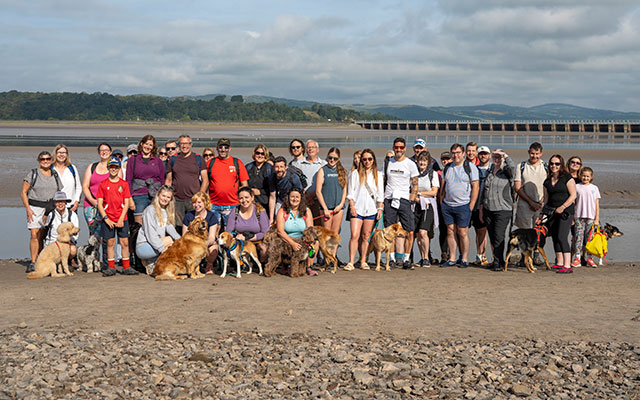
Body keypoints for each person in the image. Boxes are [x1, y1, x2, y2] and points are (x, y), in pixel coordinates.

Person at [21, 151, 62, 272]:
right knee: (34, 234)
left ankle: (43, 259)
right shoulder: (33, 174)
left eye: (48, 159)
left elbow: (59, 192)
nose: (45, 161)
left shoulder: (54, 174)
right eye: (43, 159)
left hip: (49, 207)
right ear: (39, 161)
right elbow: (23, 192)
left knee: (43, 235)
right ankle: (33, 261)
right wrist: (28, 209)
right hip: (34, 207)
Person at [440, 143, 479, 268]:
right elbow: (443, 187)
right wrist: (442, 202)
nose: (455, 155)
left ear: (463, 154)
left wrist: (471, 205)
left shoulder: (470, 167)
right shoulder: (447, 168)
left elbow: (475, 187)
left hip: (463, 205)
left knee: (462, 232)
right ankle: (452, 258)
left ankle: (464, 258)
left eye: (458, 153)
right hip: (448, 205)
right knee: (450, 232)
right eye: (453, 153)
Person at [97, 156, 137, 276]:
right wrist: (106, 218)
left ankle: (126, 266)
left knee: (124, 242)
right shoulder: (103, 184)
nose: (113, 169)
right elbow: (99, 203)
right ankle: (111, 267)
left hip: (121, 218)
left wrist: (121, 219)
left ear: (119, 168)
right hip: (108, 218)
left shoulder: (123, 184)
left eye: (116, 167)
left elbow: (126, 203)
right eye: (111, 167)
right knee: (110, 243)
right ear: (108, 168)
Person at [384, 137, 419, 269]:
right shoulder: (388, 162)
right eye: (396, 147)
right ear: (393, 147)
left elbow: (415, 183)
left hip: (404, 200)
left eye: (401, 147)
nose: (398, 149)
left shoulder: (410, 164)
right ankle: (391, 258)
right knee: (390, 231)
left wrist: (411, 198)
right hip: (389, 199)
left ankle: (406, 259)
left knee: (409, 231)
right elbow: (383, 180)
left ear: (404, 148)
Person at [345, 149, 384, 270]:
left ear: (373, 160)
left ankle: (363, 261)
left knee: (366, 236)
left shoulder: (378, 175)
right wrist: (352, 206)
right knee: (354, 235)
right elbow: (350, 192)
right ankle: (351, 262)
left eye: (370, 159)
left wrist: (380, 209)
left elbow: (380, 194)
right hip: (357, 208)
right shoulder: (355, 174)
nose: (367, 162)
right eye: (365, 159)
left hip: (371, 209)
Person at [82, 142, 117, 268]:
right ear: (98, 152)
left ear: (111, 151)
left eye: (106, 150)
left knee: (107, 235)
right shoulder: (92, 167)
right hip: (91, 206)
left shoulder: (114, 167)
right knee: (94, 235)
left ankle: (107, 262)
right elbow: (85, 186)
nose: (104, 152)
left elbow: (119, 185)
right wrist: (93, 201)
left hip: (109, 207)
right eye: (101, 150)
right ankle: (93, 262)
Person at [481, 149, 516, 271]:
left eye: (499, 157)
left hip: (503, 209)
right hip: (488, 209)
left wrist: (505, 156)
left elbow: (513, 167)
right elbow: (483, 191)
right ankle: (498, 260)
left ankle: (498, 262)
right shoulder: (489, 172)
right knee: (492, 236)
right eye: (495, 157)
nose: (497, 159)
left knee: (499, 236)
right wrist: (482, 208)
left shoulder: (507, 172)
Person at [542, 154, 577, 274]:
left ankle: (568, 265)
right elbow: (546, 200)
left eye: (557, 164)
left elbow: (573, 195)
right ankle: (559, 262)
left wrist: (562, 207)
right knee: (555, 237)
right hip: (552, 212)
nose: (554, 166)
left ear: (561, 165)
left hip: (566, 212)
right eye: (552, 163)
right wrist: (542, 215)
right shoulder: (547, 181)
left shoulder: (567, 178)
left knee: (562, 237)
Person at [165, 134, 208, 231]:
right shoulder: (173, 159)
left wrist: (200, 197)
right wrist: (167, 196)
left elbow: (205, 181)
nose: (184, 146)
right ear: (178, 145)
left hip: (193, 200)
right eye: (182, 144)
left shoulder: (198, 158)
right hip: (177, 199)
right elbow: (168, 180)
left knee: (195, 226)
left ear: (191, 144)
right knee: (178, 227)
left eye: (187, 143)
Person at [136, 185, 181, 275]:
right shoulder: (150, 210)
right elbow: (151, 234)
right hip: (143, 246)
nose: (165, 199)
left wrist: (182, 241)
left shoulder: (166, 211)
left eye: (168, 197)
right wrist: (161, 249)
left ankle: (154, 263)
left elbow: (170, 228)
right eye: (163, 196)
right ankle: (151, 262)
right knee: (169, 240)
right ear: (158, 195)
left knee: (176, 241)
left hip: (155, 245)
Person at [206, 138, 249, 228]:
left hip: (232, 204)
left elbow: (245, 185)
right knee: (213, 231)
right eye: (221, 147)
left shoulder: (237, 163)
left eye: (226, 147)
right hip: (213, 204)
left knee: (230, 231)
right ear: (217, 148)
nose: (223, 149)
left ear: (230, 149)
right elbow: (205, 182)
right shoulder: (211, 163)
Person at [275, 188, 318, 276]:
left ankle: (309, 266)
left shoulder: (307, 211)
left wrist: (308, 243)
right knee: (282, 242)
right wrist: (292, 243)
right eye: (292, 197)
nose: (295, 199)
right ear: (288, 198)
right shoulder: (282, 211)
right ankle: (285, 264)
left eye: (297, 197)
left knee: (315, 242)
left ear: (301, 198)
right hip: (287, 239)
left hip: (303, 239)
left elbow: (310, 230)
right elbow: (280, 231)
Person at [125, 135, 165, 225]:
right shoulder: (133, 160)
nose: (148, 147)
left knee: (155, 224)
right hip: (138, 195)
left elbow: (162, 180)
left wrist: (162, 196)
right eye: (146, 144)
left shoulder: (158, 161)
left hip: (155, 196)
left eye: (150, 145)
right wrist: (130, 198)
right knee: (139, 225)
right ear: (142, 144)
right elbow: (128, 180)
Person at [225, 187, 270, 261]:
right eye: (241, 198)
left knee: (264, 249)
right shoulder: (235, 211)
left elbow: (265, 232)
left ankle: (261, 264)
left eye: (246, 197)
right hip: (240, 242)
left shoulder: (260, 211)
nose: (244, 200)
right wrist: (236, 236)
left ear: (252, 197)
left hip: (257, 241)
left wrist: (249, 237)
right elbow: (228, 231)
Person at [183, 192, 219, 274]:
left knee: (213, 248)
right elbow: (184, 236)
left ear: (205, 203)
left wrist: (201, 245)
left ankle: (209, 264)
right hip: (192, 244)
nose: (196, 205)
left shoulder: (211, 216)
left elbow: (212, 238)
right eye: (194, 202)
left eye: (199, 202)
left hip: (206, 243)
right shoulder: (188, 216)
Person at [572, 167, 600, 268]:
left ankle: (590, 258)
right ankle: (577, 258)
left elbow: (597, 205)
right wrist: (573, 217)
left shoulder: (594, 188)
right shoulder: (576, 186)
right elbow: (573, 202)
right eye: (583, 176)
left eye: (588, 176)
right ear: (580, 176)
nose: (585, 178)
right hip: (579, 216)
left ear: (591, 177)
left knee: (590, 238)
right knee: (578, 237)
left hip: (591, 217)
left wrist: (597, 219)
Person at [514, 142, 546, 229]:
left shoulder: (546, 166)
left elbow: (549, 187)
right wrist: (531, 202)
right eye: (532, 153)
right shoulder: (521, 166)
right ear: (528, 152)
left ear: (541, 153)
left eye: (537, 154)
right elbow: (517, 188)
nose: (534, 156)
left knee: (539, 233)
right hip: (524, 205)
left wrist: (541, 202)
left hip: (541, 206)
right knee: (524, 235)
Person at [316, 147, 348, 234]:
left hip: (338, 207)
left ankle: (335, 248)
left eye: (335, 158)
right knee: (327, 233)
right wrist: (325, 208)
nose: (332, 160)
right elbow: (318, 192)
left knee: (335, 233)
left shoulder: (343, 171)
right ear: (327, 157)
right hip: (326, 207)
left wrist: (341, 204)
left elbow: (345, 190)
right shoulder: (322, 170)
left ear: (338, 159)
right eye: (330, 157)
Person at [292, 140, 326, 219]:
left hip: (318, 201)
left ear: (317, 150)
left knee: (318, 227)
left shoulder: (323, 164)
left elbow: (325, 184)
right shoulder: (298, 164)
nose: (311, 149)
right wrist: (305, 197)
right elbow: (295, 182)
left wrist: (312, 195)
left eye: (313, 147)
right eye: (309, 147)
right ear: (305, 150)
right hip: (302, 200)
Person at [43, 191, 80, 262]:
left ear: (66, 203)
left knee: (73, 250)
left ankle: (69, 261)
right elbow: (43, 225)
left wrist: (65, 241)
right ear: (54, 203)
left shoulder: (72, 215)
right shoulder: (51, 214)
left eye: (62, 201)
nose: (60, 204)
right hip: (52, 243)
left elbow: (76, 234)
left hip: (67, 243)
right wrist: (46, 214)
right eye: (58, 202)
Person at [472, 146, 492, 266]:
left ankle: (494, 258)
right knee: (480, 232)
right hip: (476, 206)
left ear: (489, 155)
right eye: (481, 154)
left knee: (493, 233)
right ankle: (480, 256)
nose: (483, 156)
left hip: (490, 206)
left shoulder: (493, 169)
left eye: (485, 154)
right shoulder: (474, 169)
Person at [51, 144, 81, 214]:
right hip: (54, 207)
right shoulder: (50, 169)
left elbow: (78, 187)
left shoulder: (72, 168)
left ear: (67, 155)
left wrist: (76, 202)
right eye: (59, 152)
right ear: (55, 154)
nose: (61, 155)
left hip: (71, 206)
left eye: (64, 153)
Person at [245, 144, 275, 215]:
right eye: (258, 153)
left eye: (262, 154)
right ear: (254, 154)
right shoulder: (248, 167)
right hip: (250, 201)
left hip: (264, 202)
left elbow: (273, 189)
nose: (260, 155)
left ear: (265, 155)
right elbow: (242, 183)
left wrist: (260, 192)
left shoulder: (270, 168)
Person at [436, 151, 453, 264]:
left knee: (453, 230)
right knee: (443, 230)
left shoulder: (454, 170)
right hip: (441, 205)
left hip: (453, 204)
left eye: (447, 159)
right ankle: (444, 254)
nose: (445, 161)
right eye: (443, 159)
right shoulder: (438, 173)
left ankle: (453, 254)